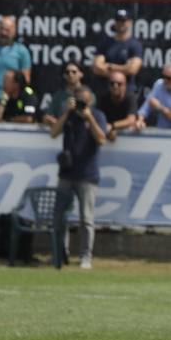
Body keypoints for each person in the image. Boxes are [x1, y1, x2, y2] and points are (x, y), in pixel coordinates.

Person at [48, 84, 107, 270]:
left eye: (84, 100)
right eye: (77, 99)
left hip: (87, 174)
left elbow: (101, 139)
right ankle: (60, 253)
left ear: (90, 100)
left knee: (86, 218)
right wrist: (66, 113)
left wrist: (88, 117)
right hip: (66, 173)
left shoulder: (97, 115)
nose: (80, 104)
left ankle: (85, 256)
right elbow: (53, 133)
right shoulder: (69, 115)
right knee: (59, 216)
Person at [91, 9, 144, 84]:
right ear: (115, 22)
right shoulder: (105, 43)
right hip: (104, 90)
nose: (121, 24)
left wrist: (110, 66)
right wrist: (123, 68)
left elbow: (132, 69)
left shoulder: (135, 45)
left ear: (130, 23)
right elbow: (96, 67)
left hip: (126, 91)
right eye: (118, 21)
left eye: (124, 21)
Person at [136, 63, 171, 130]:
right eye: (163, 76)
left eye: (168, 78)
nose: (165, 80)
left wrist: (159, 107)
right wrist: (140, 120)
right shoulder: (159, 84)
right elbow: (147, 106)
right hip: (162, 131)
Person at [44, 60, 85, 128]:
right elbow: (47, 117)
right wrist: (52, 121)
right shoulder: (59, 96)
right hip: (61, 134)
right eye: (67, 72)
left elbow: (93, 116)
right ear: (64, 75)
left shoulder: (87, 94)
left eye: (74, 72)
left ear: (81, 74)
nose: (70, 74)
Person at [97, 71, 139, 136]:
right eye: (112, 83)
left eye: (119, 84)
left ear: (125, 85)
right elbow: (98, 118)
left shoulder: (130, 98)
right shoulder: (104, 99)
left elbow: (131, 120)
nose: (115, 86)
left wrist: (112, 126)